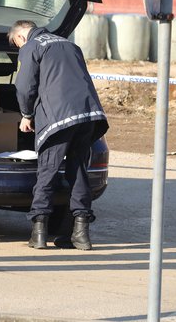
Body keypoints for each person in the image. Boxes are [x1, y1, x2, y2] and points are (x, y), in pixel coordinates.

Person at [8, 20, 109, 251]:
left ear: (21, 36)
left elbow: (24, 86)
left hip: (58, 118)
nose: (19, 48)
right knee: (78, 170)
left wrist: (26, 114)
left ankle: (39, 233)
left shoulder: (32, 46)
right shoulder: (70, 45)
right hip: (88, 114)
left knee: (47, 172)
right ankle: (81, 235)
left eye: (16, 44)